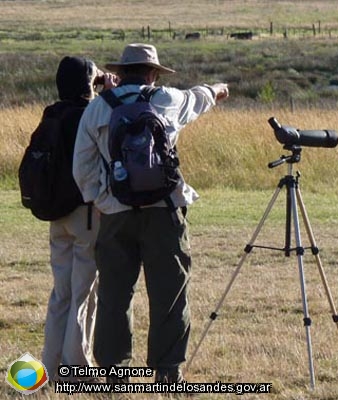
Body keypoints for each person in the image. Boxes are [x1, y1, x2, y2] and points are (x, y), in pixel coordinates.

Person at [73, 43, 229, 383]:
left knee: (114, 294)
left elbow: (82, 168)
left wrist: (104, 200)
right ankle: (167, 371)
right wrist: (218, 89)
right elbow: (199, 98)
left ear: (123, 70)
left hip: (115, 214)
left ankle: (115, 372)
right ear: (154, 73)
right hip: (165, 210)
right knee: (170, 293)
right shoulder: (167, 100)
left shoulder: (98, 109)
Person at [41, 56, 118, 382]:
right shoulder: (91, 113)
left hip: (56, 214)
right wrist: (108, 92)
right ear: (88, 83)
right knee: (84, 291)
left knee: (62, 293)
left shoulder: (52, 114)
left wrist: (96, 81)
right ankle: (77, 369)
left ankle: (51, 365)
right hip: (85, 213)